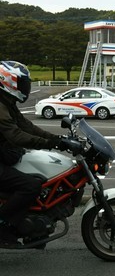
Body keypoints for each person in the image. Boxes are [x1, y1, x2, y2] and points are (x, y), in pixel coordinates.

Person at [0, 60, 65, 246]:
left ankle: (30, 226)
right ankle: (2, 227)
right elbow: (16, 136)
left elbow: (27, 126)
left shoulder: (7, 102)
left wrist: (57, 140)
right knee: (30, 186)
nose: (25, 87)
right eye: (22, 83)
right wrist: (49, 143)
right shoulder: (0, 106)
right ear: (8, 81)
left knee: (35, 178)